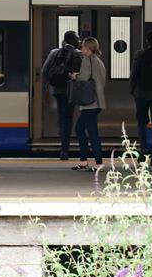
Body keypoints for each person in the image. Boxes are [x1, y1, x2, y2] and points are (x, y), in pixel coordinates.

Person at [41, 31, 82, 160]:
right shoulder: (78, 54)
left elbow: (45, 70)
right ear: (73, 40)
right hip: (71, 92)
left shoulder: (54, 52)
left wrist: (49, 85)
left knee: (61, 118)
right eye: (78, 39)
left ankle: (63, 149)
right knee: (68, 119)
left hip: (57, 91)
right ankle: (65, 149)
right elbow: (82, 74)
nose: (79, 42)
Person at [71, 37, 107, 172]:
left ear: (88, 48)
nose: (81, 49)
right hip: (97, 102)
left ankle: (98, 164)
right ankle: (84, 161)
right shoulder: (99, 61)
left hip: (90, 103)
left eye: (83, 47)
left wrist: (75, 76)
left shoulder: (87, 60)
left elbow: (83, 78)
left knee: (92, 133)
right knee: (80, 129)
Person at [130, 30, 152, 162]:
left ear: (147, 41)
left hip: (141, 94)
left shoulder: (139, 54)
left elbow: (134, 73)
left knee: (142, 123)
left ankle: (143, 151)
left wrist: (132, 90)